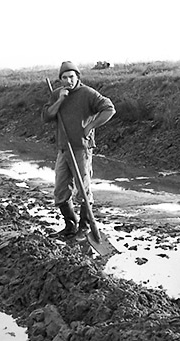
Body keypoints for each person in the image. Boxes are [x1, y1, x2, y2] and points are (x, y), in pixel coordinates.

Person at [41, 61, 116, 241]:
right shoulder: (57, 94)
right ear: (60, 80)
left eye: (71, 77)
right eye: (64, 78)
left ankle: (84, 228)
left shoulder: (87, 93)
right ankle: (70, 225)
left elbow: (109, 109)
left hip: (81, 148)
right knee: (60, 190)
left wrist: (91, 125)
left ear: (78, 77)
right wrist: (60, 100)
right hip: (63, 148)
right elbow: (46, 116)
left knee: (83, 189)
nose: (68, 81)